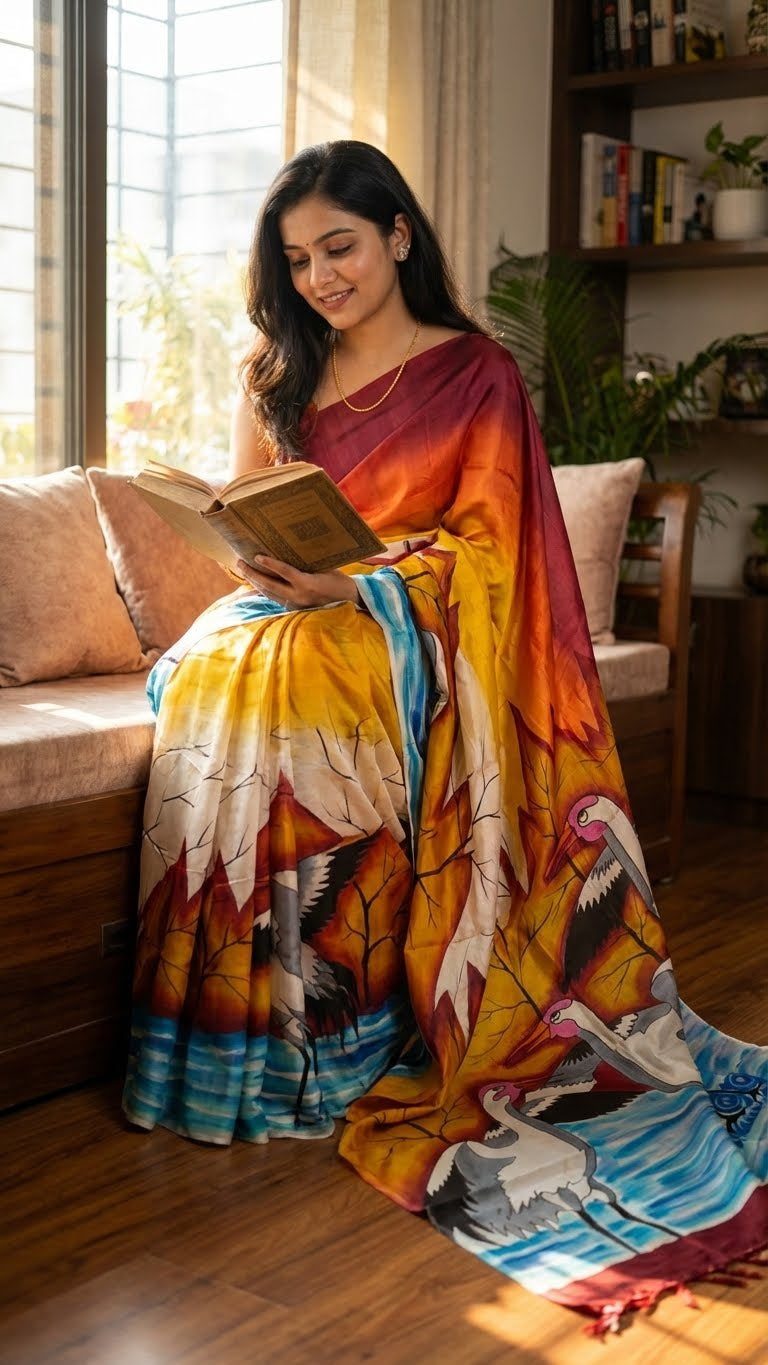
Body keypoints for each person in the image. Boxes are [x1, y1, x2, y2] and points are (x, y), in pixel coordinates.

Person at [123, 141, 767, 1331]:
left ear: (399, 237)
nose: (320, 276)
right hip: (295, 603)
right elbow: (242, 502)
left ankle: (335, 1045)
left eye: (341, 248)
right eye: (299, 257)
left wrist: (361, 592)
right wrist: (256, 554)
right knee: (217, 674)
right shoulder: (279, 366)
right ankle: (238, 1055)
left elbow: (496, 559)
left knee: (309, 689)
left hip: (414, 633)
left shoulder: (474, 374)